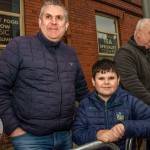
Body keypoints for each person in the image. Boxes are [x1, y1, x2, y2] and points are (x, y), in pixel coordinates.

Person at [0, 1, 89, 150]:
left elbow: (82, 92)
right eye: (48, 17)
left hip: (65, 136)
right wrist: (13, 128)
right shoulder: (19, 46)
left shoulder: (70, 53)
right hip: (29, 138)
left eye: (59, 18)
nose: (54, 22)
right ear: (40, 21)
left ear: (66, 25)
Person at [72, 59, 150, 150]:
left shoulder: (129, 100)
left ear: (118, 80)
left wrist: (127, 127)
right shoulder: (85, 104)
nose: (106, 82)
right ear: (93, 81)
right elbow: (76, 133)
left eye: (111, 78)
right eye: (101, 78)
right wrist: (96, 134)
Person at [114, 18, 150, 149]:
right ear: (139, 33)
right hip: (130, 115)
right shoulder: (125, 53)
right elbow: (134, 87)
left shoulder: (147, 53)